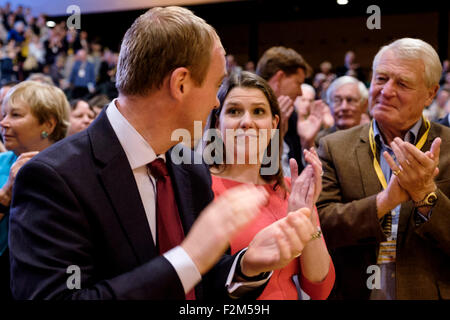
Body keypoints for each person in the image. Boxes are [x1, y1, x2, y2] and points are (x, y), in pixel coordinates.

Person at [9, 6, 314, 300]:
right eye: (215, 85)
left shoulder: (190, 169)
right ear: (180, 84)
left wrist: (245, 266)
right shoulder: (54, 177)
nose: (216, 104)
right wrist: (190, 256)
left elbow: (202, 284)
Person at [317, 38, 450, 300]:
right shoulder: (334, 147)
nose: (386, 91)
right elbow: (321, 227)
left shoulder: (447, 146)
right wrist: (384, 202)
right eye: (381, 79)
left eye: (402, 83)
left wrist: (426, 196)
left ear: (430, 93)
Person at [206, 71, 335, 300]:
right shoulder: (201, 189)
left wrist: (308, 215)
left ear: (274, 123)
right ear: (218, 122)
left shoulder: (289, 189)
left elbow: (319, 288)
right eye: (234, 111)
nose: (247, 122)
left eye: (258, 111)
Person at [0, 80, 70, 299]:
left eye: (16, 115)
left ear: (48, 125)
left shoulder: (73, 168)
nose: (4, 123)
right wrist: (7, 193)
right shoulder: (2, 163)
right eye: (4, 114)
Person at [255, 46, 312, 175]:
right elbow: (265, 174)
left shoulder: (291, 116)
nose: (300, 92)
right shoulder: (248, 115)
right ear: (279, 78)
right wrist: (276, 134)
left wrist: (307, 143)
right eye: (298, 83)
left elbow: (298, 175)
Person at [315, 76, 369, 145]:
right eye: (337, 100)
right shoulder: (319, 140)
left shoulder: (374, 138)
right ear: (329, 105)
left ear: (364, 105)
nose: (344, 107)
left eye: (350, 100)